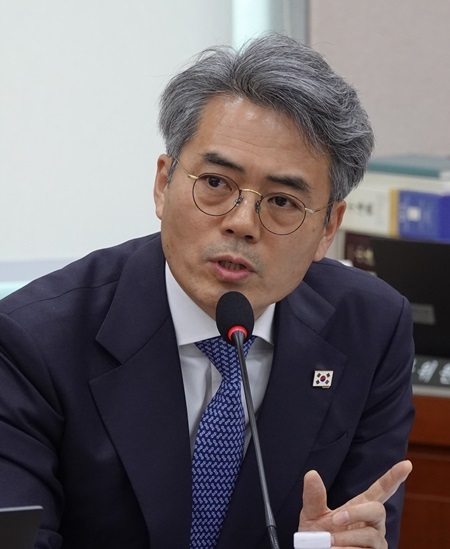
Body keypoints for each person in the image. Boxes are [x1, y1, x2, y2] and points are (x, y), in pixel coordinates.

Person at [0, 33, 414, 549]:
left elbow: (363, 527)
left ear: (328, 228)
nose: (242, 223)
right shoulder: (33, 342)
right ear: (163, 184)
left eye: (283, 201)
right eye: (216, 183)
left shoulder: (370, 329)